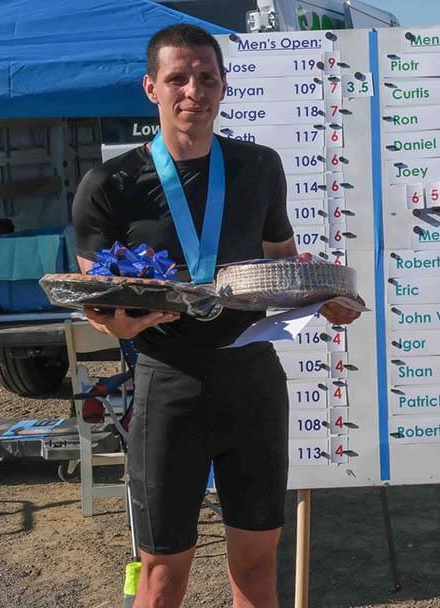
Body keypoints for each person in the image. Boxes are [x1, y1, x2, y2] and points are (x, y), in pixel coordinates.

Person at [72, 24, 362, 608]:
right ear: (151, 87)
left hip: (251, 381)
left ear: (224, 86)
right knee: (160, 576)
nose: (193, 91)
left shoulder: (258, 166)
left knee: (256, 569)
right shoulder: (110, 184)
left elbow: (283, 265)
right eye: (177, 77)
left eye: (206, 77)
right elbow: (94, 294)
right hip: (167, 385)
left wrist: (326, 297)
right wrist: (118, 325)